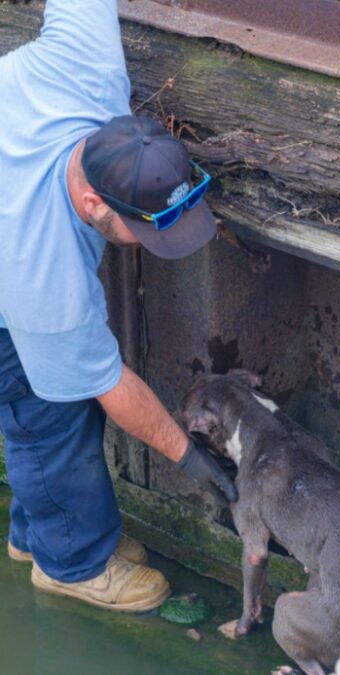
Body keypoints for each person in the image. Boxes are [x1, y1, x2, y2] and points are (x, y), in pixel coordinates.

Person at [0, 0, 236, 612]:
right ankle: (69, 563)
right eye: (147, 229)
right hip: (12, 278)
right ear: (92, 204)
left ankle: (38, 533)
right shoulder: (45, 283)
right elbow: (108, 385)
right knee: (48, 415)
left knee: (59, 401)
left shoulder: (89, 68)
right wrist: (192, 459)